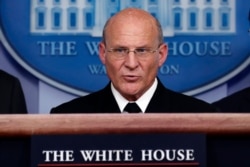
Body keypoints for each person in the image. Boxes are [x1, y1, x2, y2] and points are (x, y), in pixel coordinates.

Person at [51, 8, 216, 113]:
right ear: (103, 53)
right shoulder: (66, 118)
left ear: (161, 55)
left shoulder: (202, 117)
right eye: (120, 51)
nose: (131, 64)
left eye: (142, 51)